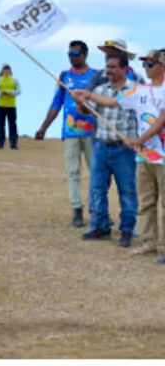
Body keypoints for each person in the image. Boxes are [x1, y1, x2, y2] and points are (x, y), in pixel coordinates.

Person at [71, 53, 143, 247]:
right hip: (102, 146)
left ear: (125, 68)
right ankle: (100, 227)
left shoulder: (135, 90)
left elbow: (115, 103)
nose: (108, 71)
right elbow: (86, 111)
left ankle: (127, 230)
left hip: (124, 150)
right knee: (97, 189)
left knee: (127, 192)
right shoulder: (100, 89)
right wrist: (80, 102)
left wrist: (89, 95)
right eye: (107, 67)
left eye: (113, 67)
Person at [36, 40, 101, 227]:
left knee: (96, 173)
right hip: (71, 132)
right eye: (69, 54)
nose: (73, 58)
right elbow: (56, 103)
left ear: (85, 55)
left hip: (92, 132)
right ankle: (77, 209)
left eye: (76, 54)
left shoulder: (95, 76)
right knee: (73, 172)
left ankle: (97, 210)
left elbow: (104, 101)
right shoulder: (64, 77)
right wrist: (44, 127)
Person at [111, 49, 165, 261]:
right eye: (144, 64)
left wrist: (138, 140)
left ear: (162, 65)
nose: (146, 67)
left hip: (162, 155)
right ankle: (149, 242)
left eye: (150, 63)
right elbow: (114, 101)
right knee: (146, 202)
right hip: (145, 157)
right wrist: (87, 96)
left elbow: (162, 120)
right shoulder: (141, 90)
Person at [0, 64, 21, 150]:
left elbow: (19, 91)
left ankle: (13, 143)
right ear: (2, 71)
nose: (6, 71)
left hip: (11, 105)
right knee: (0, 125)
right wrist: (1, 93)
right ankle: (0, 143)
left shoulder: (14, 80)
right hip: (1, 105)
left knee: (12, 125)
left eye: (7, 70)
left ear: (10, 71)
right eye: (4, 70)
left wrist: (11, 92)